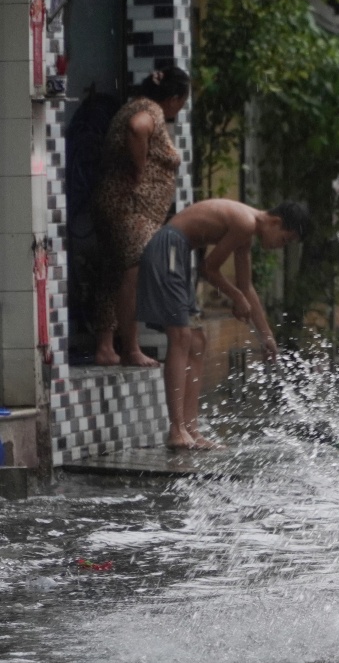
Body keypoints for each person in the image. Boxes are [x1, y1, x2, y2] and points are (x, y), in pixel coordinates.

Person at [136, 199, 307, 450]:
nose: (279, 247)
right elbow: (209, 269)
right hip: (169, 249)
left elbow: (246, 287)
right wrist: (235, 297)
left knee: (197, 342)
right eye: (283, 240)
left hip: (180, 255)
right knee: (182, 337)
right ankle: (176, 430)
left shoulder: (246, 233)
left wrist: (266, 337)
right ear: (275, 222)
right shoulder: (245, 222)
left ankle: (191, 430)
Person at [92, 66, 191, 367]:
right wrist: (139, 168)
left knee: (113, 274)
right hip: (131, 209)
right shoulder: (151, 109)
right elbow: (138, 127)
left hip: (115, 203)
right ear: (174, 98)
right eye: (183, 100)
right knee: (134, 274)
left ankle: (106, 347)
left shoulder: (134, 103)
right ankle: (131, 348)